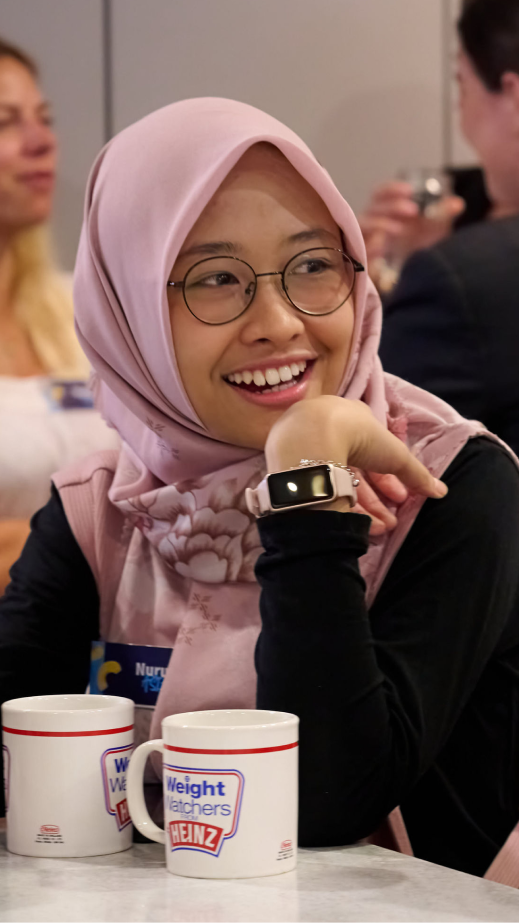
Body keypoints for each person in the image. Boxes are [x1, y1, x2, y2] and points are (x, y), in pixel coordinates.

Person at [1, 98, 519, 883]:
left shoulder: (445, 482)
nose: (278, 322)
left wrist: (304, 483)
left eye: (313, 264)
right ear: (129, 310)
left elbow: (324, 804)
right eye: (215, 279)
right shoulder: (105, 503)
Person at [363, 0, 519, 454]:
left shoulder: (461, 276)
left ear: (512, 94)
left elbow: (376, 443)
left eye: (462, 85)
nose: (461, 111)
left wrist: (370, 294)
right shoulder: (463, 245)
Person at [0, 37, 118, 590]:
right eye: (6, 122)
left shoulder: (87, 306)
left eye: (43, 118)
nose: (41, 142)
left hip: (107, 654)